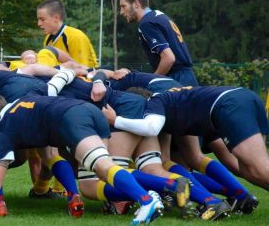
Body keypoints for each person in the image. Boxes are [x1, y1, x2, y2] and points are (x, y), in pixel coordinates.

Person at [0, 93, 164, 226]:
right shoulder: (22, 101)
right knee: (100, 172)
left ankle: (146, 199)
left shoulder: (6, 126)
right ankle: (150, 194)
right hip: (90, 111)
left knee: (103, 166)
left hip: (72, 119)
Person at [102, 85, 269, 213]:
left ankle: (214, 200)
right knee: (249, 171)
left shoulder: (154, 102)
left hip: (227, 104)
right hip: (240, 98)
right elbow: (166, 158)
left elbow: (150, 128)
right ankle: (234, 196)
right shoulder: (169, 106)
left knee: (259, 168)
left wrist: (115, 120)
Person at [118, 0, 198, 87]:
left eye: (123, 6)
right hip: (187, 76)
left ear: (136, 4)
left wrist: (152, 81)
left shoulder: (146, 23)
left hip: (176, 79)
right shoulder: (158, 16)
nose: (121, 12)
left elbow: (169, 58)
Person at [36, 0, 99, 69]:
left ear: (56, 18)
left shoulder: (76, 37)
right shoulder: (48, 38)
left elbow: (81, 70)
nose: (39, 24)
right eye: (38, 20)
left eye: (42, 19)